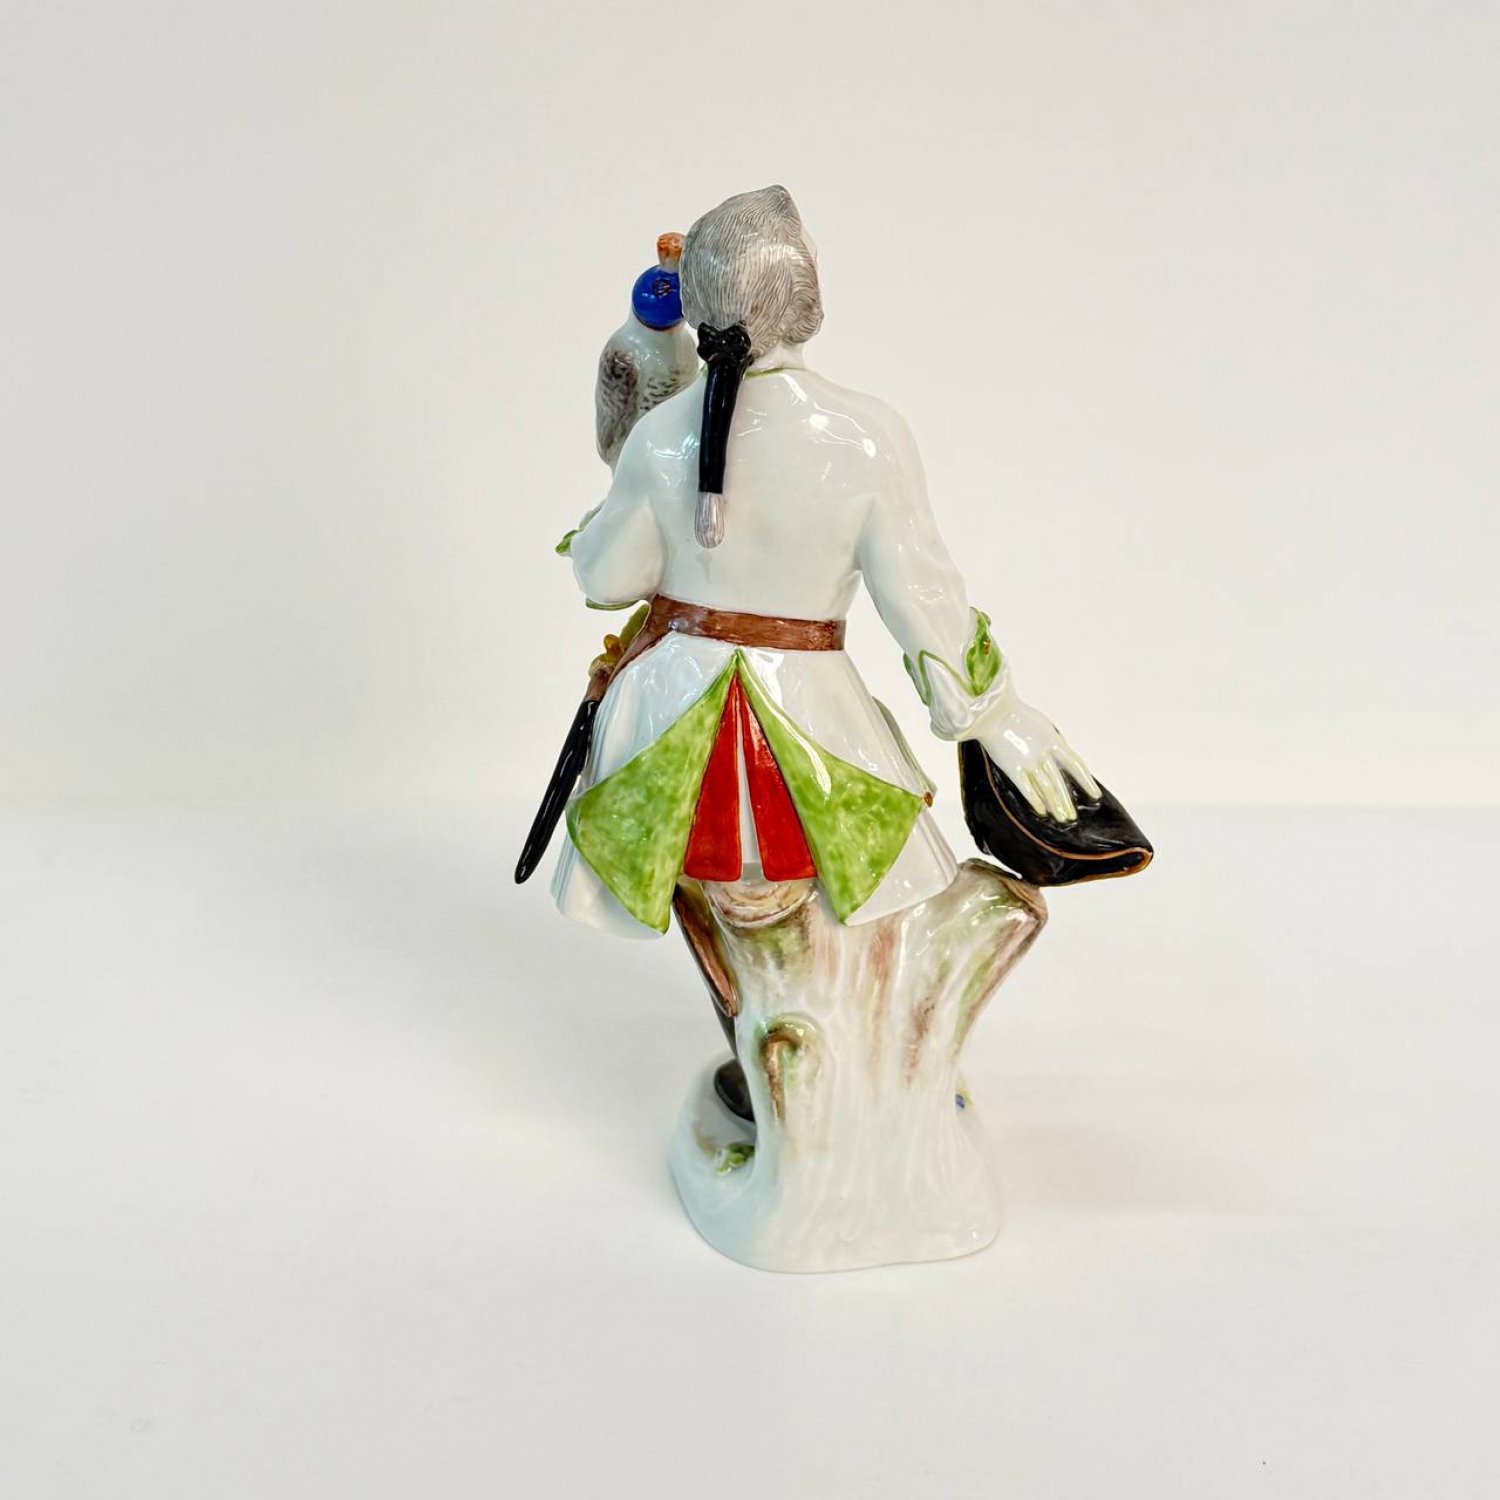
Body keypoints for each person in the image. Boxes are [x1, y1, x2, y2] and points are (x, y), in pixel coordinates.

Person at [552, 184, 1098, 940]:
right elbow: (919, 594)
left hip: (663, 718)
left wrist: (619, 491)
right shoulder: (866, 436)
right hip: (807, 721)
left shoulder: (662, 435)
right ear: (807, 298)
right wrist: (991, 715)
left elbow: (606, 578)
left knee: (727, 908)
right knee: (849, 889)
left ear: (696, 307)